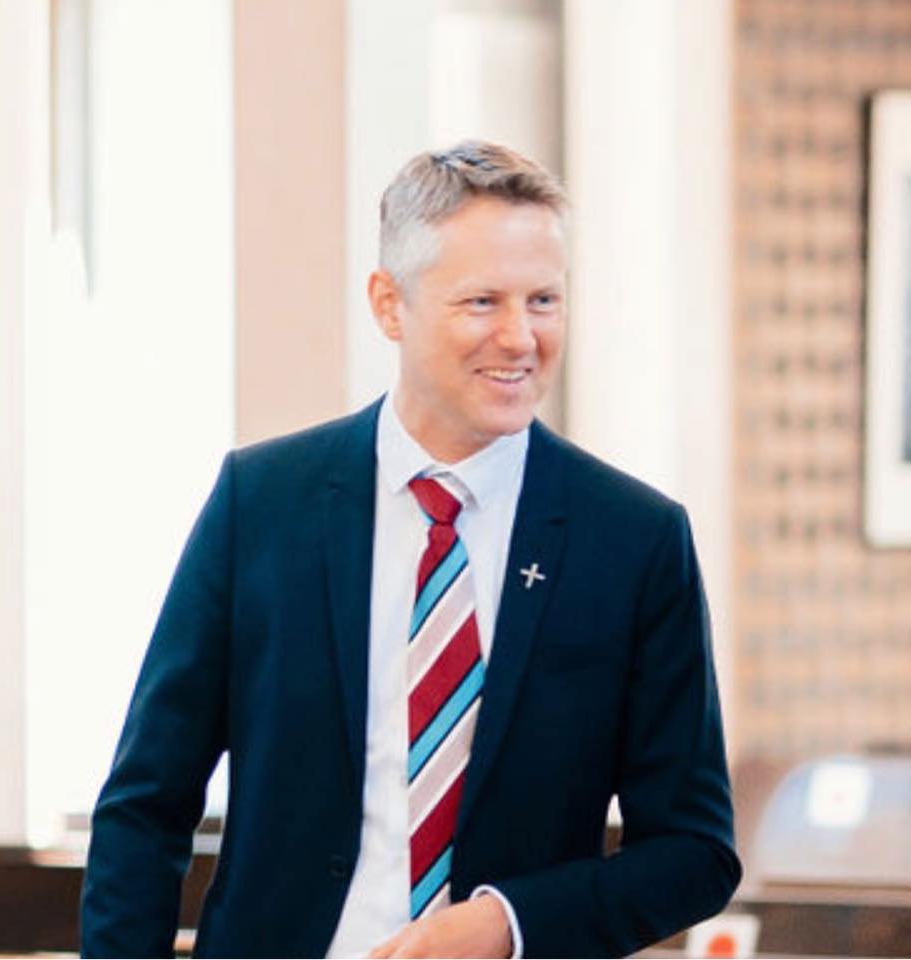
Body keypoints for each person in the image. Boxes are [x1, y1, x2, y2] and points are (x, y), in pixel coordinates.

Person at [81, 141, 741, 959]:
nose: (520, 337)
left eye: (543, 300)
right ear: (390, 305)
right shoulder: (263, 504)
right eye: (481, 302)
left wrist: (508, 923)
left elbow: (694, 852)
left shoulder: (637, 541)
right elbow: (146, 802)